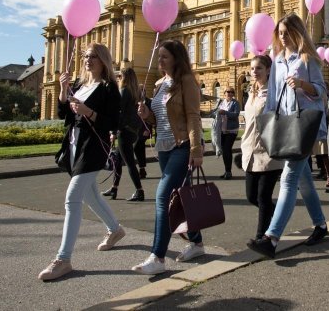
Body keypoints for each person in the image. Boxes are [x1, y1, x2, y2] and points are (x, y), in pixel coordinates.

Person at [39, 43, 125, 281]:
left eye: (93, 56)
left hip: (94, 147)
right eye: (86, 56)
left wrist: (89, 112)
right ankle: (115, 230)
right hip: (75, 144)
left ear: (103, 60)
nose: (88, 60)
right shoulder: (80, 84)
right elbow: (64, 115)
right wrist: (63, 89)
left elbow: (111, 123)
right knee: (91, 196)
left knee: (73, 198)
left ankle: (63, 259)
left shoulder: (109, 88)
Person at [248, 13, 328, 259]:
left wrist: (303, 85)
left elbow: (322, 92)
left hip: (303, 126)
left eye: (286, 32)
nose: (282, 37)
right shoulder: (278, 60)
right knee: (303, 180)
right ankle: (321, 225)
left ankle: (271, 238)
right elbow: (272, 95)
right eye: (279, 33)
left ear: (297, 32)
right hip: (286, 127)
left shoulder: (308, 59)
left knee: (289, 178)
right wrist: (269, 124)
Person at [132, 40, 205, 275]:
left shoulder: (186, 82)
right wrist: (147, 114)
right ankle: (196, 242)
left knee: (162, 196)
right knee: (180, 199)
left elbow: (193, 117)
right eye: (159, 56)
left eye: (164, 57)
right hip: (163, 147)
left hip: (181, 146)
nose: (159, 61)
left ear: (176, 58)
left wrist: (196, 150)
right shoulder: (159, 83)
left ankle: (158, 257)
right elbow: (160, 119)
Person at [241, 55, 284, 241]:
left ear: (268, 70)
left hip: (268, 151)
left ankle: (262, 237)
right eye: (252, 68)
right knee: (251, 197)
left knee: (263, 197)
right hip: (250, 149)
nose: (254, 72)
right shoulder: (251, 92)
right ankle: (278, 219)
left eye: (259, 68)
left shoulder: (274, 93)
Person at [102, 68, 145, 202]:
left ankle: (139, 191)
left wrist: (113, 132)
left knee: (130, 163)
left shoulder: (124, 91)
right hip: (133, 130)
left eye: (120, 76)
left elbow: (118, 113)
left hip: (124, 130)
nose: (118, 78)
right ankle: (114, 188)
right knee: (118, 161)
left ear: (124, 77)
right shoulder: (136, 92)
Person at [217, 86, 240, 179]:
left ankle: (229, 172)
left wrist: (225, 112)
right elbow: (217, 112)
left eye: (232, 92)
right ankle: (227, 171)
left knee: (227, 149)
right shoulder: (221, 103)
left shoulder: (235, 103)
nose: (230, 93)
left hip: (231, 130)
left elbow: (236, 114)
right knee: (224, 151)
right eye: (228, 92)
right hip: (222, 129)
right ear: (224, 93)